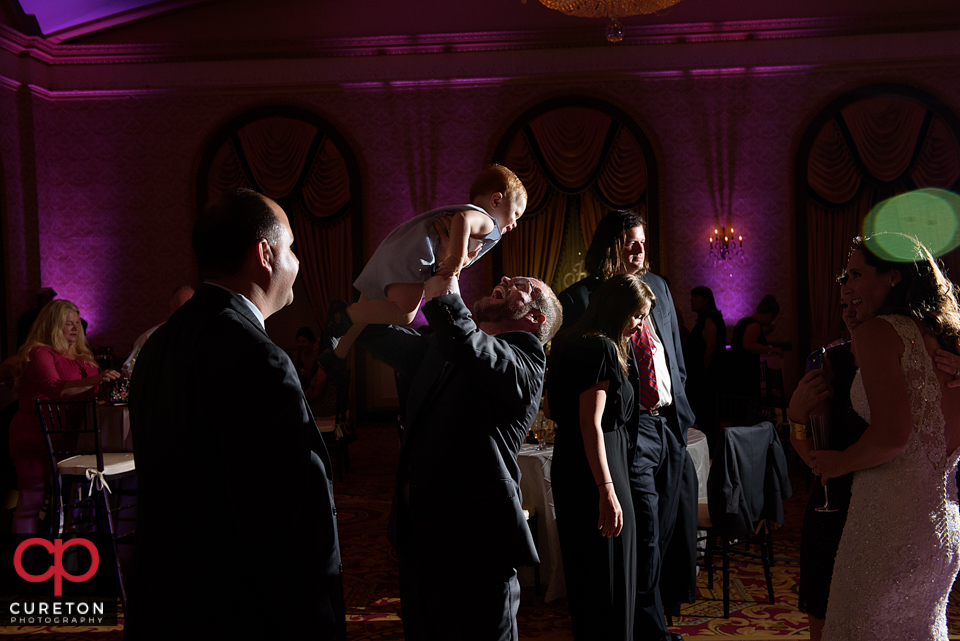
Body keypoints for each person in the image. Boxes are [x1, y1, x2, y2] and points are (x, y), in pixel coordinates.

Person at [127, 188, 344, 640]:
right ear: (265, 254)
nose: (299, 263)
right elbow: (285, 520)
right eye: (292, 248)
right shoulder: (256, 357)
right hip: (238, 610)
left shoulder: (159, 346)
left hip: (166, 601)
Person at [357, 271, 562, 641]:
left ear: (535, 318)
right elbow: (379, 335)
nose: (505, 278)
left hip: (476, 551)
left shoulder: (527, 361)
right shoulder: (447, 347)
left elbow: (464, 341)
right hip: (419, 542)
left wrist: (446, 285)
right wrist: (370, 300)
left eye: (523, 285)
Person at [557, 210, 697, 641]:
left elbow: (671, 352)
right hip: (627, 431)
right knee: (645, 533)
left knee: (671, 528)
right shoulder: (581, 298)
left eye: (642, 242)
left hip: (667, 424)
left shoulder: (657, 288)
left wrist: (681, 416)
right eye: (629, 243)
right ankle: (647, 629)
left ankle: (654, 620)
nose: (640, 251)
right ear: (608, 247)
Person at [811, 234, 960, 640]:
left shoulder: (879, 332)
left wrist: (837, 463)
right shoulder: (948, 342)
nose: (848, 286)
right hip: (941, 527)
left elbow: (894, 435)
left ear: (893, 276)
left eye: (857, 274)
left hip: (887, 524)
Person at [548, 273, 656, 640]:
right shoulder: (602, 347)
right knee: (610, 577)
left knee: (587, 578)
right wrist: (606, 489)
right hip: (600, 467)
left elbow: (550, 407)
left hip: (570, 463)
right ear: (618, 308)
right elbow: (589, 423)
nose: (639, 324)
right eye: (637, 315)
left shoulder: (566, 339)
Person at [326, 164, 527, 360]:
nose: (515, 223)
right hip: (415, 252)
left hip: (396, 246)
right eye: (516, 214)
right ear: (496, 200)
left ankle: (338, 353)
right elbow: (462, 219)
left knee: (366, 310)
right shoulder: (488, 223)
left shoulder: (477, 227)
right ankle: (343, 312)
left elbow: (459, 228)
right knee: (404, 314)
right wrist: (456, 259)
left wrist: (462, 259)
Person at [9, 300, 120, 533]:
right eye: (67, 324)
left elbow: (90, 393)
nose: (75, 328)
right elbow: (56, 388)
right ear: (52, 326)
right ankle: (25, 563)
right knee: (32, 503)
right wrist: (96, 379)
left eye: (77, 323)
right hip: (38, 438)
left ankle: (67, 556)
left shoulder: (83, 355)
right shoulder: (40, 352)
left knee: (68, 503)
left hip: (73, 439)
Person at [682, 286, 726, 449]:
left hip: (705, 376)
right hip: (703, 374)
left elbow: (710, 346)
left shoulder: (709, 318)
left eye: (696, 297)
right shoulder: (704, 319)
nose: (692, 301)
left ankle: (709, 448)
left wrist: (704, 372)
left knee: (706, 413)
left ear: (706, 299)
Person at [120, 285, 195, 376]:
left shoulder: (205, 336)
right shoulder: (150, 337)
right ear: (171, 308)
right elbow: (128, 371)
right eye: (180, 309)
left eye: (191, 309)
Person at [725, 294, 782, 397]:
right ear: (769, 315)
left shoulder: (744, 322)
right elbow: (748, 345)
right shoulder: (754, 325)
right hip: (744, 372)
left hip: (736, 370)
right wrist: (772, 349)